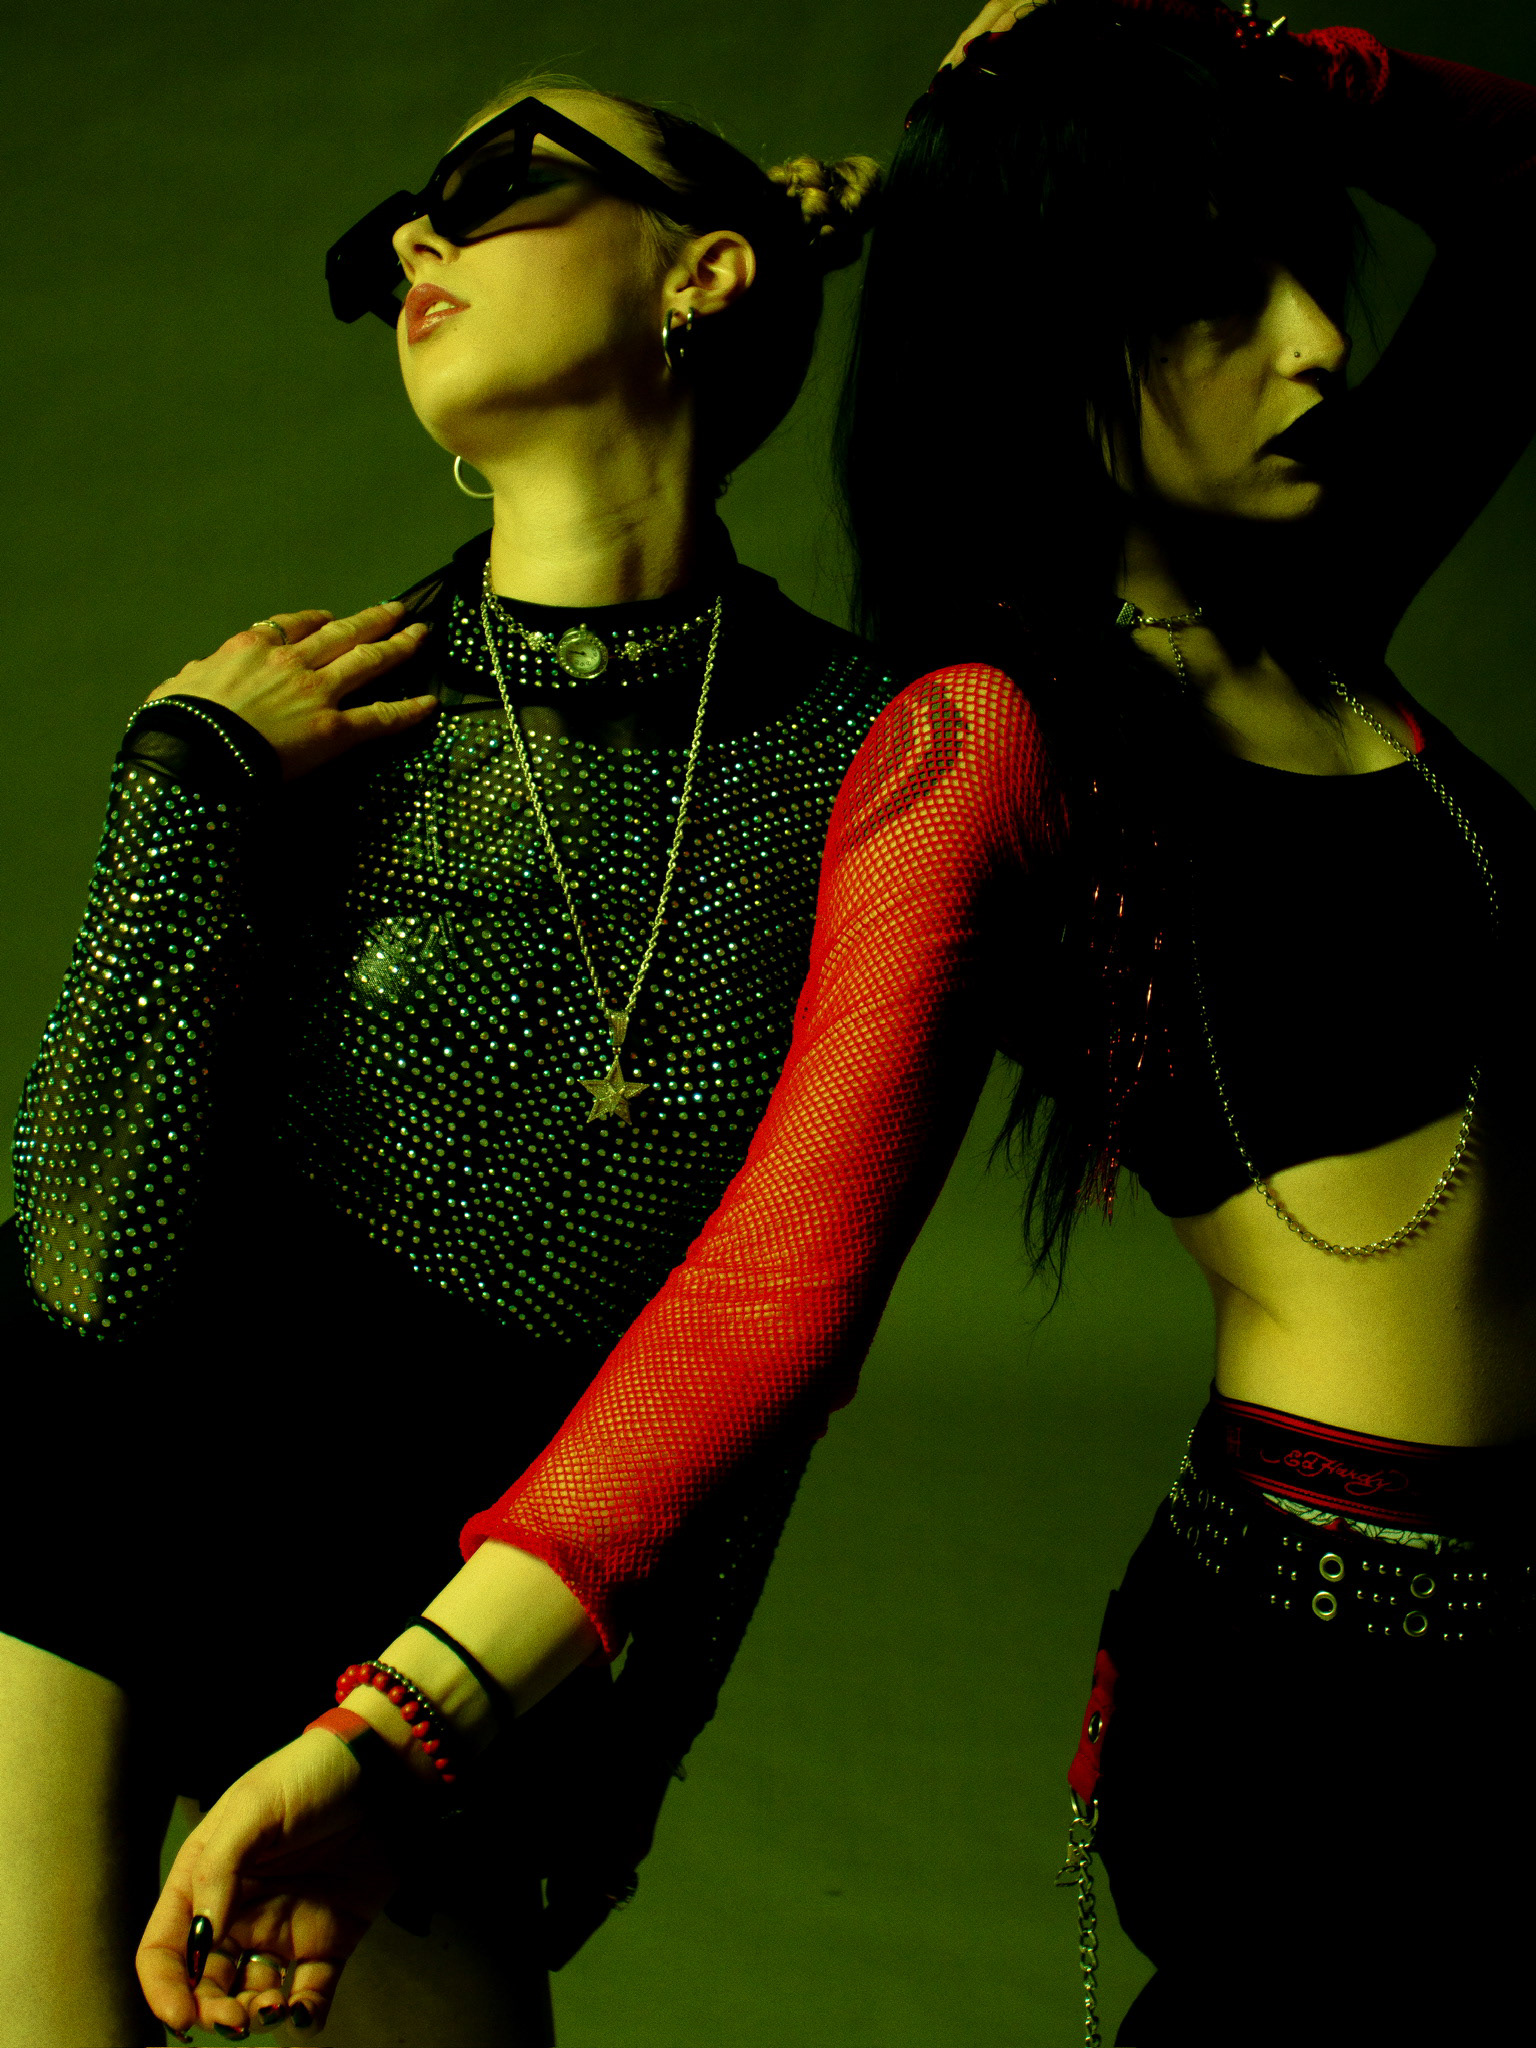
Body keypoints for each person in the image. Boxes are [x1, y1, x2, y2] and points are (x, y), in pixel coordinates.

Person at [120, 2, 1536, 2042]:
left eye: (1310, 277)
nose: (1317, 344)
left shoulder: (1321, 600)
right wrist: (398, 1732)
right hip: (1340, 1685)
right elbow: (770, 1293)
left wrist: (1252, 57)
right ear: (1046, 330)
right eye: (1220, 297)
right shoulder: (984, 744)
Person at [2, 73, 886, 2048]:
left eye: (496, 186)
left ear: (704, 272)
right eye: (411, 211)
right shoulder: (320, 710)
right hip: (120, 1485)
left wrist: (631, 1740)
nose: (422, 235)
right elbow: (78, 1276)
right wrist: (180, 796)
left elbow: (773, 1333)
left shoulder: (869, 748)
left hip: (459, 1579)